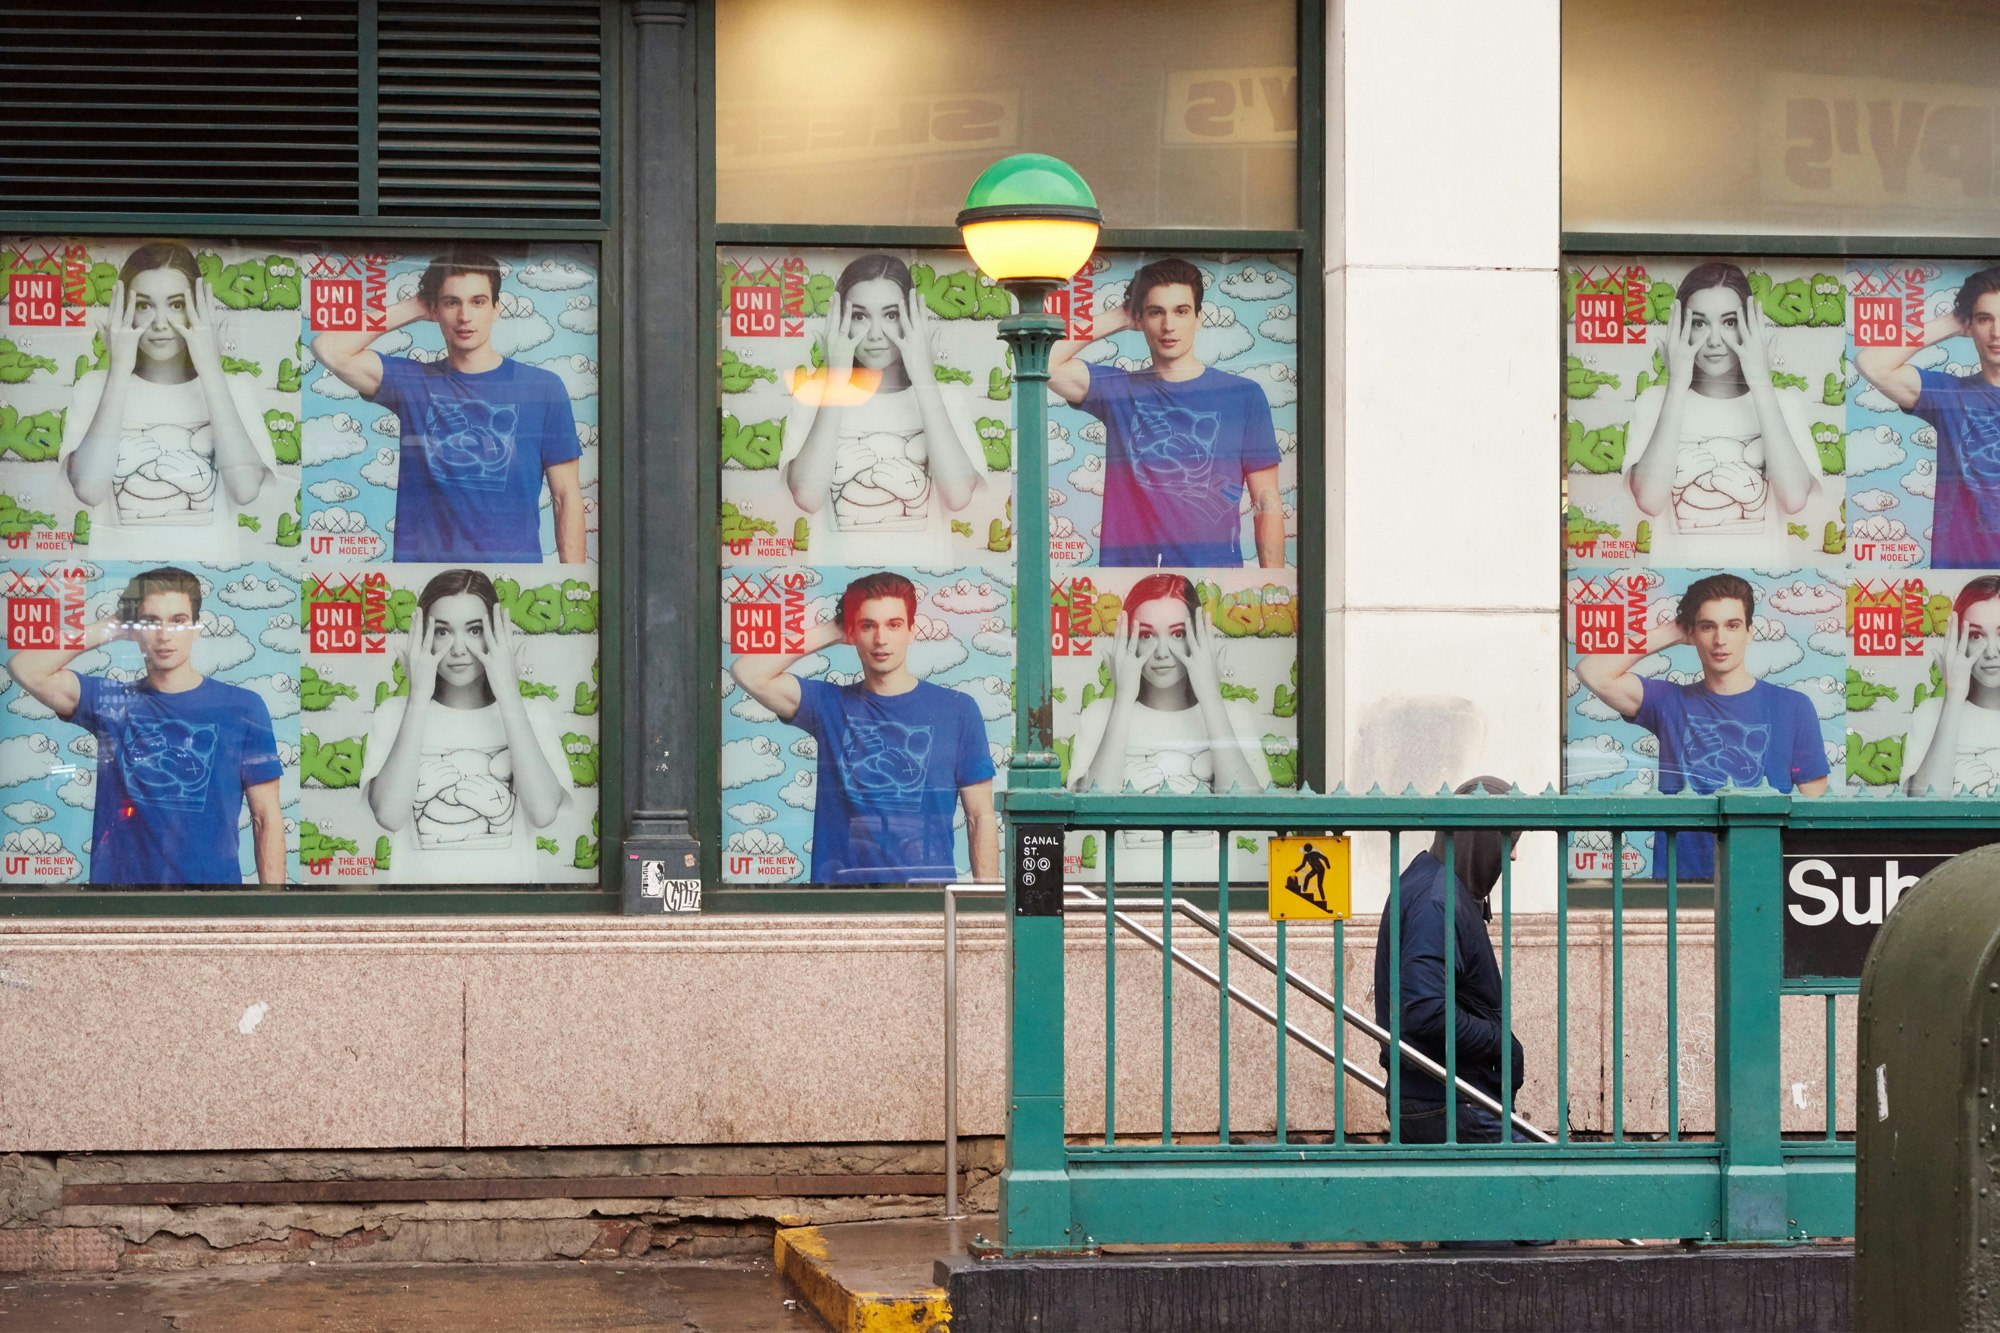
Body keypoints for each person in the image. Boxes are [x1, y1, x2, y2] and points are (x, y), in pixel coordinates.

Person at [6, 566, 283, 885]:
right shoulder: (111, 702)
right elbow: (25, 668)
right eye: (151, 622)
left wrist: (273, 913)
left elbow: (266, 820)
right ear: (134, 629)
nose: (164, 635)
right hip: (121, 908)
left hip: (212, 905)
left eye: (178, 621)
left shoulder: (243, 707)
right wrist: (109, 626)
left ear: (196, 627)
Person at [312, 251, 584, 563]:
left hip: (514, 583)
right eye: (452, 302)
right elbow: (329, 348)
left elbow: (565, 498)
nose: (465, 316)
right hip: (422, 585)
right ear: (436, 309)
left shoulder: (542, 389)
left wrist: (571, 585)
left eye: (478, 301)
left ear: (496, 308)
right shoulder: (412, 382)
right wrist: (413, 306)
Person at [730, 571, 997, 884]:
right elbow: (747, 672)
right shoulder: (828, 704)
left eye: (894, 625)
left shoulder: (957, 709)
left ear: (912, 631)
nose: (881, 639)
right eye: (868, 625)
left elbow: (980, 817)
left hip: (928, 900)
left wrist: (987, 907)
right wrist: (836, 627)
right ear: (853, 633)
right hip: (842, 901)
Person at [1576, 573, 1829, 878]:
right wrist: (1670, 631)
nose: (1720, 640)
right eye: (1708, 626)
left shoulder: (1793, 706)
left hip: (1764, 878)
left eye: (1732, 625)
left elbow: (1814, 808)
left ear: (1749, 632)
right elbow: (1592, 671)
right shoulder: (1669, 702)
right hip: (1680, 882)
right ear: (1692, 633)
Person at [1048, 258, 1284, 568]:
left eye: (1181, 311)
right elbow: (1044, 364)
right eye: (1156, 311)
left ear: (1199, 318)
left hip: (1213, 586)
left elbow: (1266, 501)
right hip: (1129, 586)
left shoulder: (1243, 396)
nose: (1168, 325)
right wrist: (1120, 315)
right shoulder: (1119, 391)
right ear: (1140, 319)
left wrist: (1271, 586)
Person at [60, 242, 279, 561]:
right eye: (144, 306)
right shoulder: (93, 388)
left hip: (207, 587)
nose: (160, 322)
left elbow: (245, 489)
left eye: (176, 305)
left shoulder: (234, 389)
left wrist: (209, 367)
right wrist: (119, 368)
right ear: (124, 310)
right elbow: (89, 490)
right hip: (122, 585)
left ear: (197, 310)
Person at [361, 568, 573, 882]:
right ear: (423, 637)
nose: (458, 649)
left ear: (496, 634)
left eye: (474, 630)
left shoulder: (532, 713)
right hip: (419, 917)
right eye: (443, 631)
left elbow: (543, 813)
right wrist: (418, 695)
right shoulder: (393, 714)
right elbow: (390, 816)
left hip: (506, 915)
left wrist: (508, 694)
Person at [779, 254, 984, 565]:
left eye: (890, 315)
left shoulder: (947, 398)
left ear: (911, 318)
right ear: (839, 320)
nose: (875, 333)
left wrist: (924, 379)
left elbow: (957, 497)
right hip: (841, 592)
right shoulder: (813, 398)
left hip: (923, 592)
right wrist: (836, 380)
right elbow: (807, 498)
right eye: (860, 316)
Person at [1623, 262, 1822, 566]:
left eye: (1729, 322)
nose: (1714, 340)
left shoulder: (1783, 403)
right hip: (1680, 591)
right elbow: (1649, 501)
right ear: (1681, 328)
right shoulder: (1654, 402)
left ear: (1749, 327)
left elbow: (1794, 499)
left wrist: (1759, 380)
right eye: (1700, 323)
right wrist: (1676, 383)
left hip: (1761, 588)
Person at [1372, 776, 1526, 1147]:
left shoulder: (1433, 883)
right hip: (1446, 1101)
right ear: (1483, 838)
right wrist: (1500, 1042)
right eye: (1510, 840)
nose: (1515, 855)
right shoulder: (1437, 901)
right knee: (1552, 1186)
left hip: (1444, 1097)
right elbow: (1425, 1009)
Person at [1069, 573, 1269, 795]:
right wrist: (1123, 699)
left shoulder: (1234, 715)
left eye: (1178, 633)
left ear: (1200, 636)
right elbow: (1092, 812)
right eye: (1146, 635)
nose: (1162, 652)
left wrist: (1211, 695)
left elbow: (1250, 810)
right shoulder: (1098, 715)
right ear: (1126, 640)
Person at [1855, 265, 2000, 567]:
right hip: (1961, 577)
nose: (1997, 332)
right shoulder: (1950, 395)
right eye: (1985, 318)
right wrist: (1952, 320)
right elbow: (1871, 363)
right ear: (1970, 326)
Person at [1904, 576, 2000, 796]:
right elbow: (1924, 809)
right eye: (1976, 635)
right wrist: (1954, 697)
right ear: (1957, 641)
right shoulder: (1930, 712)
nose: (1992, 651)